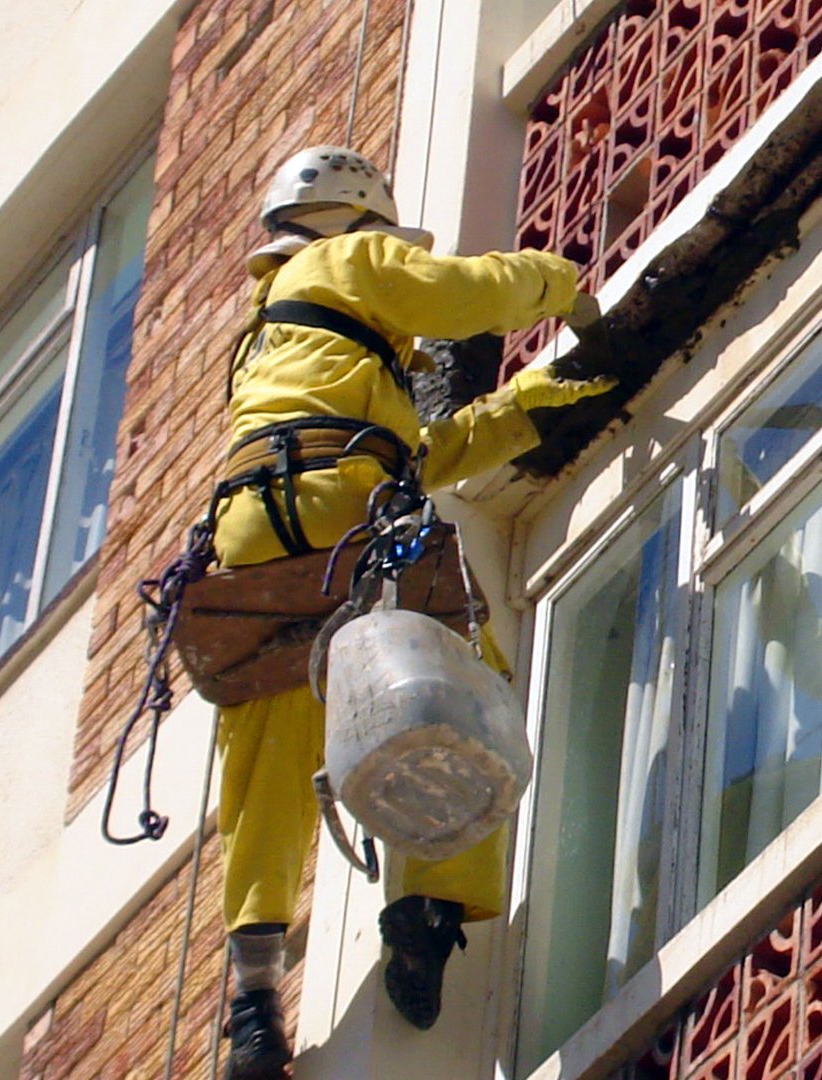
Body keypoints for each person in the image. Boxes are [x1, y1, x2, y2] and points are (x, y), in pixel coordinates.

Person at [211, 146, 614, 1080]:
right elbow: (458, 295)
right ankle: (429, 911)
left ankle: (251, 997)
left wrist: (529, 406)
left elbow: (414, 455)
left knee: (271, 735)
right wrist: (560, 286)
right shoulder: (349, 263)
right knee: (463, 669)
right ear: (355, 224)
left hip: (254, 532)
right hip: (341, 508)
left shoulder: (277, 341)